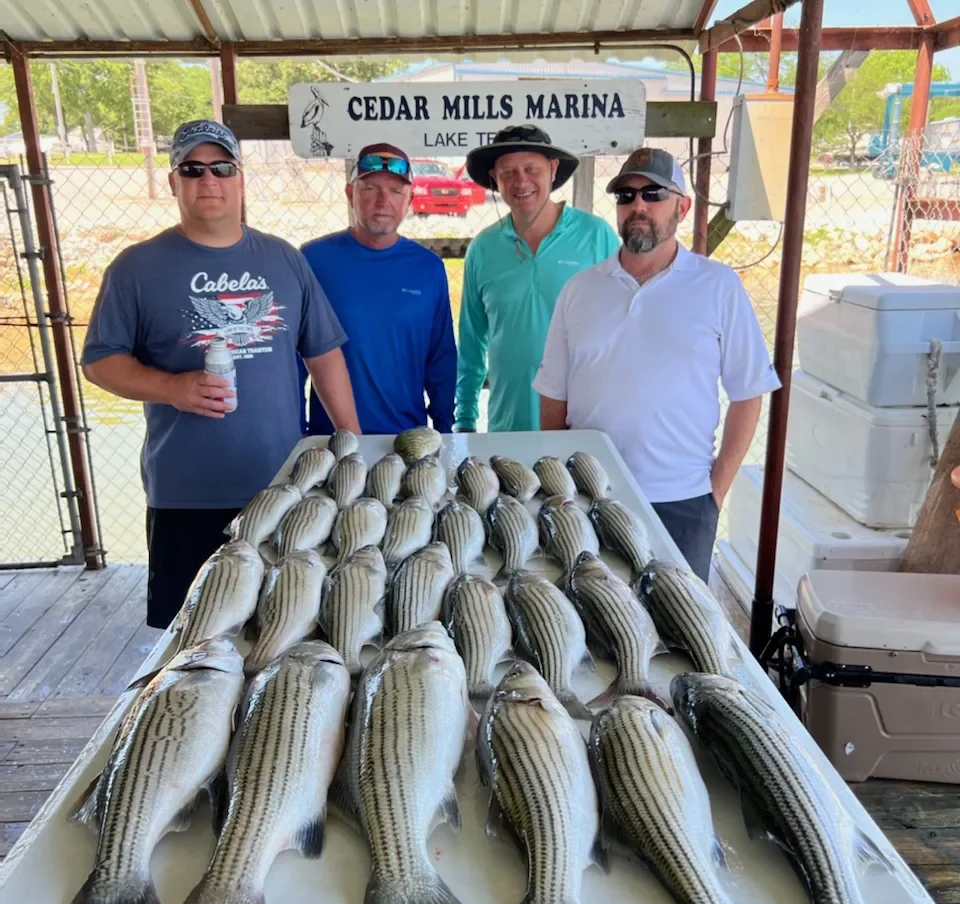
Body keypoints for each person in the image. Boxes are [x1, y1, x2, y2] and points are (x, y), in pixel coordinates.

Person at [81, 119, 361, 629]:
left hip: (281, 487)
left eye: (221, 168)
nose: (208, 179)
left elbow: (323, 355)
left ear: (240, 179)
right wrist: (173, 387)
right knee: (190, 637)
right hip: (185, 494)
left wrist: (352, 445)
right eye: (192, 169)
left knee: (284, 627)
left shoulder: (283, 258)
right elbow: (100, 362)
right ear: (173, 182)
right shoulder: (136, 268)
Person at [533, 147, 781, 583]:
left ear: (682, 207)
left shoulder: (718, 286)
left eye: (653, 194)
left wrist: (715, 492)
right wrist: (563, 487)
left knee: (679, 623)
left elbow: (748, 393)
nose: (638, 206)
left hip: (682, 501)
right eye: (626, 196)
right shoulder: (580, 289)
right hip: (590, 499)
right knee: (594, 617)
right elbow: (554, 395)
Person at [454, 125, 620, 434]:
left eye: (532, 169)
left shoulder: (596, 237)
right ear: (494, 178)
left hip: (581, 425)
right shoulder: (483, 249)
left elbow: (624, 332)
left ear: (553, 170)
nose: (521, 182)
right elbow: (472, 342)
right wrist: (464, 418)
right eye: (508, 173)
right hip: (508, 424)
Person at [300, 143, 456, 436]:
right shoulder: (313, 260)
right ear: (350, 194)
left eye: (395, 191)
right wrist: (298, 432)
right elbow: (294, 358)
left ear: (409, 200)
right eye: (370, 188)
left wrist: (445, 429)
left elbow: (441, 357)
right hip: (332, 439)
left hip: (407, 440)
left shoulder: (428, 268)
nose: (383, 200)